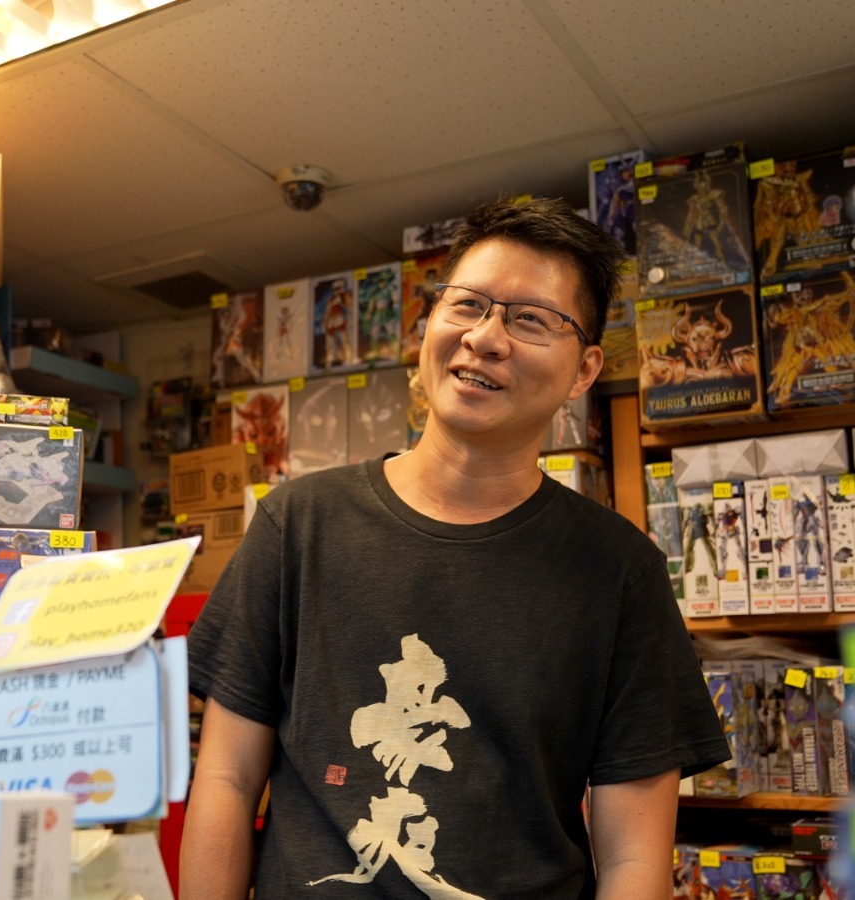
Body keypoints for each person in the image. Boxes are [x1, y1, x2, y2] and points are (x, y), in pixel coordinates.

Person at [183, 197, 729, 899]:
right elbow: (226, 780)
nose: (486, 337)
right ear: (430, 323)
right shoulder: (298, 525)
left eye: (531, 319)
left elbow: (633, 858)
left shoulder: (620, 572)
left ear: (585, 370)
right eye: (468, 304)